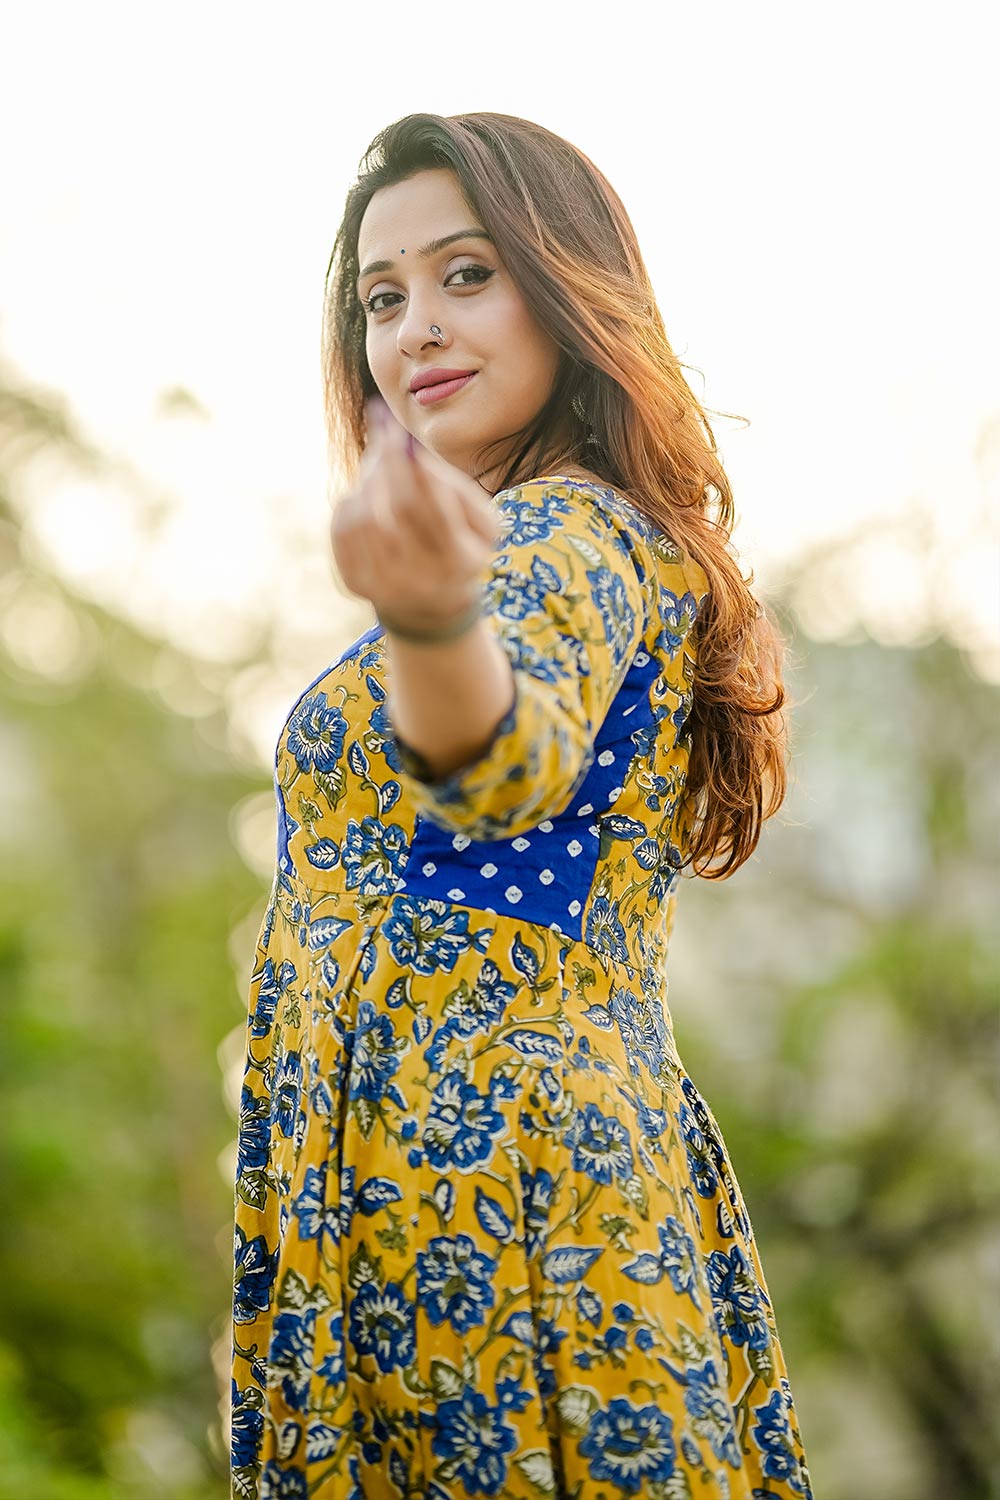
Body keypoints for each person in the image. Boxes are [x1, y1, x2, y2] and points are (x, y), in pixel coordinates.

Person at [230, 111, 814, 1500]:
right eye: (383, 298)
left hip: (501, 1200)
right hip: (421, 1182)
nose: (416, 325)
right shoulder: (544, 536)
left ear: (566, 286)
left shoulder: (579, 531)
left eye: (467, 274)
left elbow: (502, 762)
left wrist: (431, 627)